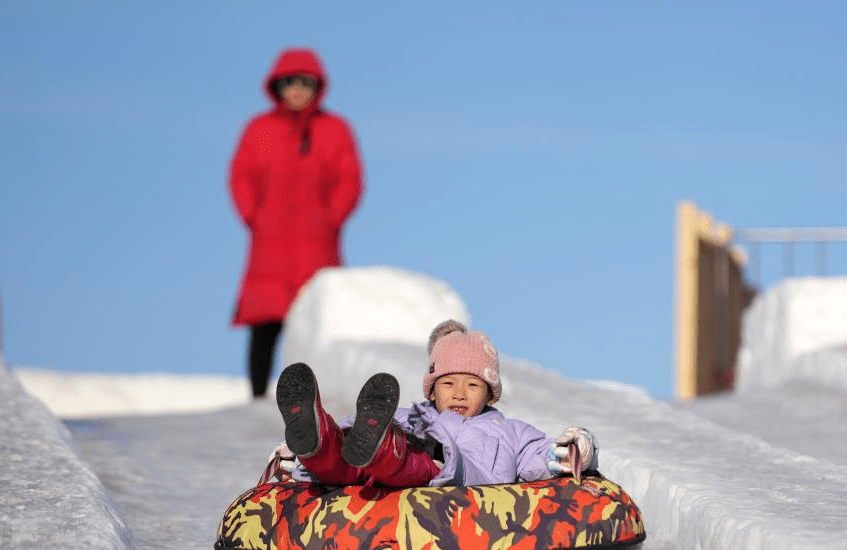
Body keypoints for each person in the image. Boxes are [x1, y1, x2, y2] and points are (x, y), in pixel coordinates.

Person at [266, 320, 599, 487]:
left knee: (413, 457)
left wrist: (575, 449)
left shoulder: (509, 431)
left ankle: (382, 447)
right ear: (431, 389)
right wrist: (295, 457)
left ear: (490, 392)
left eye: (472, 384)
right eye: (448, 383)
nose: (459, 393)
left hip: (438, 477)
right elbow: (356, 428)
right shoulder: (409, 415)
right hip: (376, 476)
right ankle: (316, 442)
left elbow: (538, 455)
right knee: (351, 449)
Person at [229, 47, 363, 398]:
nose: (297, 89)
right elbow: (240, 176)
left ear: (318, 86)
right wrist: (254, 215)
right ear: (277, 86)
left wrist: (331, 217)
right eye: (289, 82)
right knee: (264, 324)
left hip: (317, 243)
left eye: (305, 82)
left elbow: (350, 178)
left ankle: (311, 401)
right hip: (269, 243)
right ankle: (257, 396)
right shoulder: (259, 129)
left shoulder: (335, 129)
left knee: (312, 324)